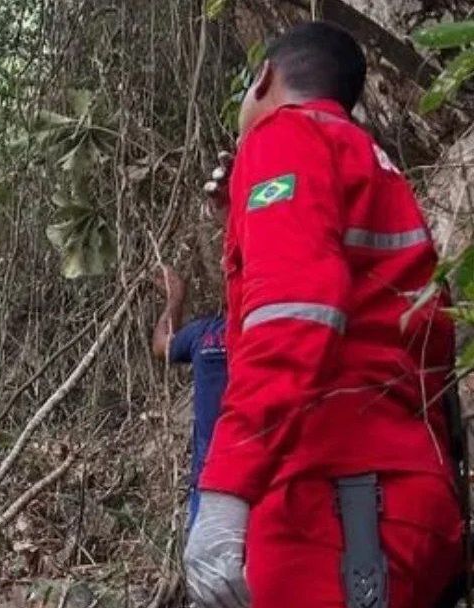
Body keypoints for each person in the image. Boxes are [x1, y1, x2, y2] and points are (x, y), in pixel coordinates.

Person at [184, 21, 462, 608]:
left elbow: (293, 315)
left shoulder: (283, 137)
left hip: (337, 501)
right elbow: (423, 343)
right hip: (404, 498)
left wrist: (228, 488)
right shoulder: (373, 164)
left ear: (263, 80)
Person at [151, 266, 227, 529]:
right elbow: (163, 346)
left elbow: (162, 344)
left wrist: (175, 299)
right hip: (211, 477)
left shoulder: (261, 329)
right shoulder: (206, 331)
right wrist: (175, 299)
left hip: (230, 474)